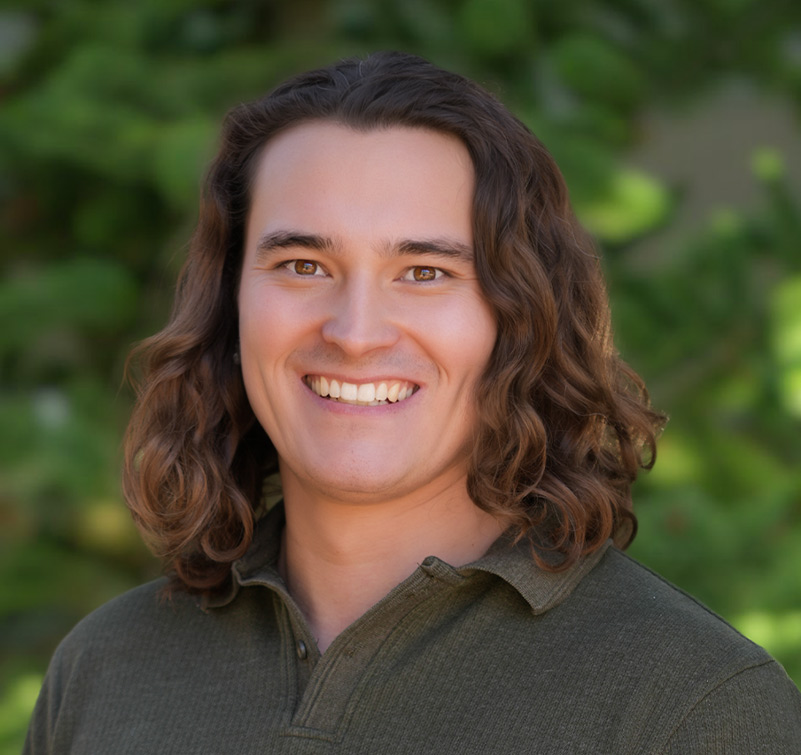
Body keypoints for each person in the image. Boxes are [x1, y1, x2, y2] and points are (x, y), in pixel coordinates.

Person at [25, 51, 801, 754]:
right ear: (231, 305)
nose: (355, 332)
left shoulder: (692, 708)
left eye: (425, 273)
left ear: (518, 319)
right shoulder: (105, 668)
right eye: (301, 263)